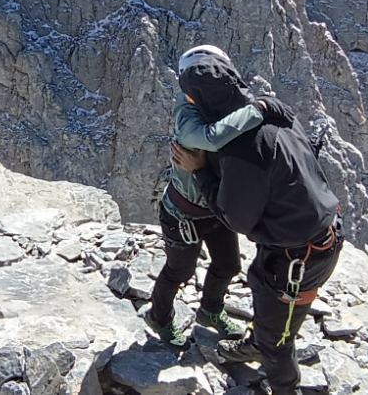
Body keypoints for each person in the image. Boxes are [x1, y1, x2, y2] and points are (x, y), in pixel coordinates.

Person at [170, 47, 341, 395]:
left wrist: (200, 171)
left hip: (296, 257)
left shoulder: (241, 149)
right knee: (267, 297)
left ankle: (280, 379)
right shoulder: (272, 109)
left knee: (278, 343)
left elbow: (236, 219)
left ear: (197, 98)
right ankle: (257, 341)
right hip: (312, 234)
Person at [144, 45, 284, 347]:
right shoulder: (186, 113)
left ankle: (210, 310)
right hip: (183, 214)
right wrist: (258, 110)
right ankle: (159, 317)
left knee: (229, 265)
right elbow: (209, 138)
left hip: (214, 208)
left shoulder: (220, 105)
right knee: (179, 271)